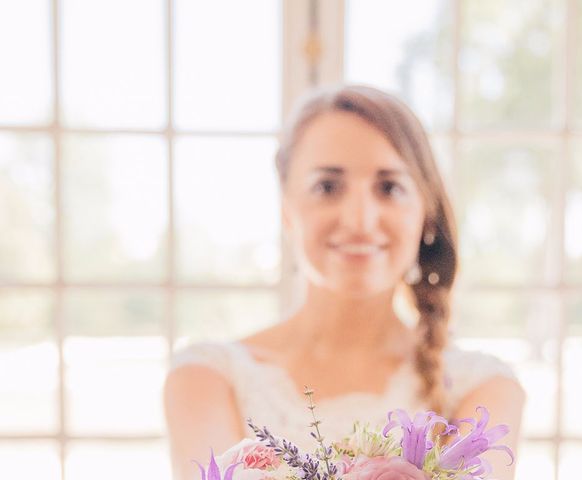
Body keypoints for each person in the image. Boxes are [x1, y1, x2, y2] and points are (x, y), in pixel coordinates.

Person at [164, 85, 526, 480]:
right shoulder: (205, 379)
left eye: (390, 187)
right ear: (287, 209)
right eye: (327, 186)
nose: (359, 219)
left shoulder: (484, 387)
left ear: (427, 213)